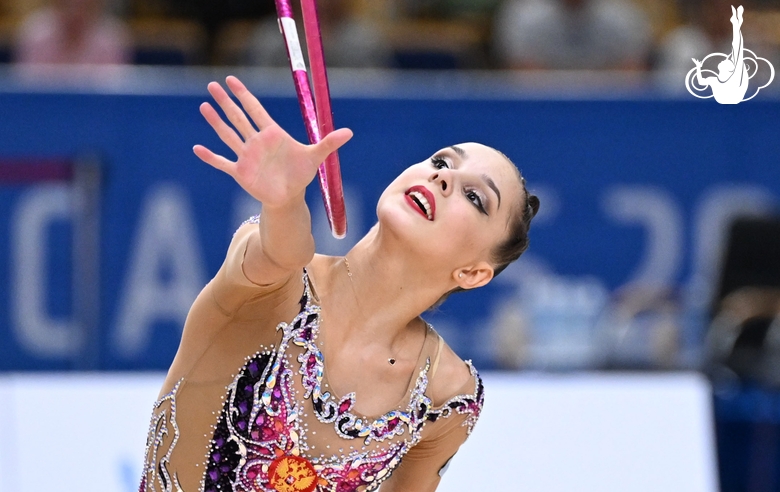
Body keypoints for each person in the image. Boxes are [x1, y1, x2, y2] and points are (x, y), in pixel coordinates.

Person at [139, 76, 539, 492]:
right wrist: (285, 202)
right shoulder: (274, 287)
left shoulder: (447, 393)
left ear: (473, 273)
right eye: (441, 162)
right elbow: (282, 252)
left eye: (475, 198)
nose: (444, 179)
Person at [13, 0, 131, 65]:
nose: (75, 11)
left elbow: (113, 97)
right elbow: (27, 92)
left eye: (82, 5)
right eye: (68, 4)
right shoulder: (34, 35)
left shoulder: (112, 39)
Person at [692, 5, 748, 104]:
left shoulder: (749, 44)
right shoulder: (683, 42)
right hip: (694, 106)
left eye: (727, 11)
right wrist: (698, 67)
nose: (720, 16)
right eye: (716, 10)